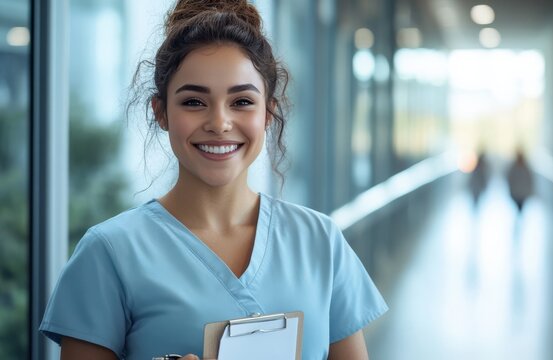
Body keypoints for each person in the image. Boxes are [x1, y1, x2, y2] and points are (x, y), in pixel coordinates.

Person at [39, 1, 388, 359]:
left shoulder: (320, 242)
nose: (219, 123)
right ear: (160, 113)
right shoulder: (109, 254)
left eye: (241, 102)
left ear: (268, 113)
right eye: (193, 102)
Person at [507, 148, 534, 213]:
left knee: (521, 206)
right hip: (516, 193)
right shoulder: (513, 168)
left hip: (522, 193)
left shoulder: (526, 168)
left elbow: (529, 180)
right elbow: (510, 179)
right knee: (518, 206)